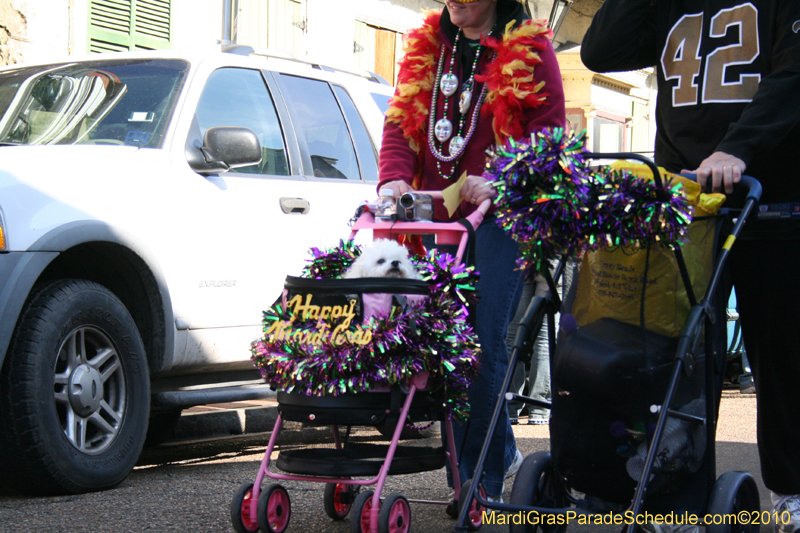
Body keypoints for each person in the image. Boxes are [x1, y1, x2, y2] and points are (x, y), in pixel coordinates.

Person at [581, 2, 800, 531]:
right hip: (685, 206)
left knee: (782, 356)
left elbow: (793, 75)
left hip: (770, 200)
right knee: (674, 357)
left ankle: (792, 488)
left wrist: (738, 148)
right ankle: (678, 491)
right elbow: (599, 52)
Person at [378, 0, 566, 502]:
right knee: (444, 343)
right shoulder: (428, 47)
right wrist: (394, 178)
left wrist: (502, 180)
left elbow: (548, 142)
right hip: (436, 218)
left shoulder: (531, 48)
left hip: (500, 217)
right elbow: (399, 126)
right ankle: (493, 459)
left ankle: (478, 482)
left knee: (480, 344)